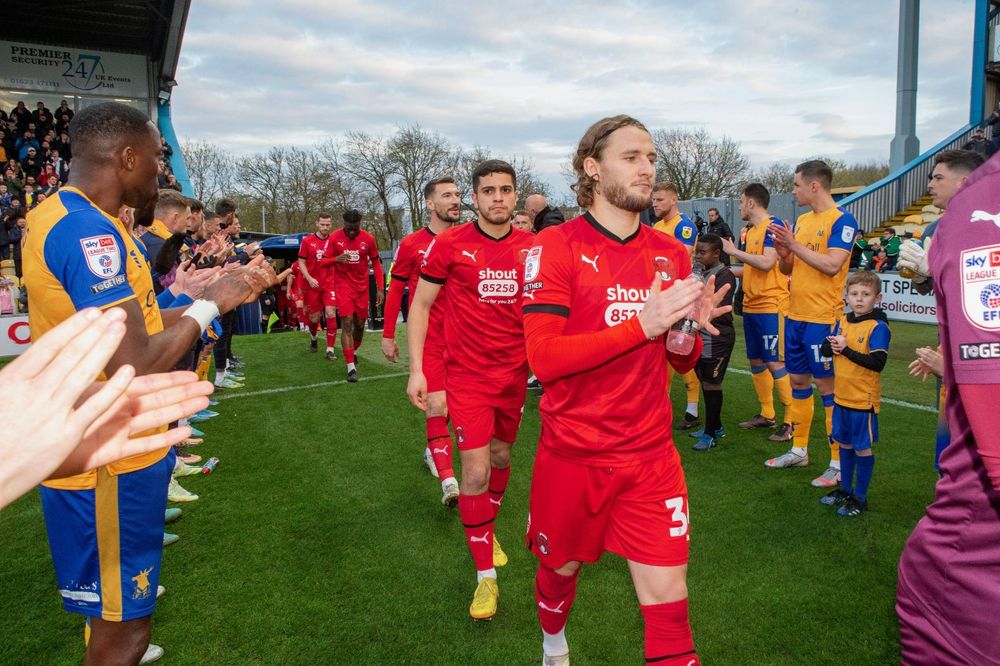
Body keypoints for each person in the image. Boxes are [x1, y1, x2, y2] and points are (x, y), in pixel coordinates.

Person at [21, 101, 285, 665]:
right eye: (158, 157)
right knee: (126, 634)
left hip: (103, 445)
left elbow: (135, 323)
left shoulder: (76, 218)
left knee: (116, 622)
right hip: (105, 462)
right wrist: (210, 307)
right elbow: (136, 361)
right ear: (127, 156)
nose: (161, 171)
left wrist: (207, 296)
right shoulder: (86, 231)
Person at [522, 115, 729, 666]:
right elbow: (543, 358)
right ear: (593, 168)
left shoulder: (671, 254)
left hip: (649, 456)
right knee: (557, 572)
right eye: (632, 157)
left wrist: (689, 328)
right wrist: (641, 324)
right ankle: (553, 645)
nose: (647, 169)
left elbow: (676, 356)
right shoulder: (555, 246)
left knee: (669, 604)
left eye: (652, 158)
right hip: (573, 455)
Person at [407, 159, 533, 621]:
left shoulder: (534, 248)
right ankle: (486, 579)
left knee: (502, 458)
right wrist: (418, 370)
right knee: (475, 473)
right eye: (488, 191)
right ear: (475, 198)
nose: (497, 198)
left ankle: (486, 524)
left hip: (516, 377)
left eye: (505, 190)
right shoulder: (450, 244)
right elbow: (420, 306)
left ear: (515, 196)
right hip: (467, 379)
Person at [896, 151, 1000, 665]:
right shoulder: (954, 227)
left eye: (938, 176)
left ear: (967, 179)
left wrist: (958, 365)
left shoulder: (981, 218)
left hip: (973, 550)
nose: (931, 184)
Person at [0, 307, 214, 510]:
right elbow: (135, 361)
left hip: (118, 447)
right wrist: (207, 305)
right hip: (100, 471)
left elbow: (148, 314)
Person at [765, 160, 859, 488]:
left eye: (796, 185)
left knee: (827, 388)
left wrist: (794, 246)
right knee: (798, 382)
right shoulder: (803, 221)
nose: (794, 190)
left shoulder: (842, 220)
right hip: (795, 317)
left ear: (814, 186)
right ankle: (799, 449)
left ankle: (836, 462)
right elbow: (791, 270)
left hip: (823, 320)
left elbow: (833, 265)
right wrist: (784, 252)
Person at [382, 176, 461, 505]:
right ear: (430, 204)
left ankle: (433, 449)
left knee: (456, 405)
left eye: (457, 194)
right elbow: (396, 289)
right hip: (428, 338)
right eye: (446, 195)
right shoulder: (413, 244)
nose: (455, 200)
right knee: (436, 404)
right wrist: (387, 334)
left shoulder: (469, 240)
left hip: (465, 340)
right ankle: (448, 481)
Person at [721, 183, 794, 441]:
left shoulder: (772, 226)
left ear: (751, 203)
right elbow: (750, 268)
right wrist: (720, 270)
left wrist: (733, 253)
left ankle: (791, 420)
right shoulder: (750, 232)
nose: (739, 206)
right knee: (756, 361)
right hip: (751, 304)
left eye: (741, 201)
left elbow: (766, 263)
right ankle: (767, 413)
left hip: (771, 305)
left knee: (775, 361)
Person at [817, 271, 891, 516]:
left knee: (862, 448)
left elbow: (877, 363)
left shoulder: (878, 326)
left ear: (877, 298)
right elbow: (828, 349)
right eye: (855, 294)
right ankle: (845, 490)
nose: (860, 299)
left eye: (866, 294)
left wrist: (845, 350)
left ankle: (860, 498)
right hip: (842, 397)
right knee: (844, 444)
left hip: (863, 400)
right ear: (846, 296)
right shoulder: (844, 320)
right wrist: (831, 345)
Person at [651, 181, 702, 429]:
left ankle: (692, 410)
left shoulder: (684, 226)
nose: (655, 204)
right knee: (662, 356)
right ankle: (662, 407)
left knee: (679, 351)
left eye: (660, 200)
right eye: (653, 200)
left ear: (673, 200)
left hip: (681, 299)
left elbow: (681, 254)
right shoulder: (657, 226)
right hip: (660, 298)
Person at [689, 233, 737, 451]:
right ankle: (715, 426)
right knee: (704, 379)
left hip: (717, 337)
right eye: (697, 251)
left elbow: (714, 308)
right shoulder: (700, 272)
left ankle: (710, 435)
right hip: (699, 334)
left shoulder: (725, 275)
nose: (697, 256)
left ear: (717, 253)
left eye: (702, 252)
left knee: (711, 383)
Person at [330, 208, 384, 382]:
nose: (352, 231)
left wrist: (381, 288)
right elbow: (323, 261)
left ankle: (352, 353)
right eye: (349, 228)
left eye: (355, 228)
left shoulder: (368, 238)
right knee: (346, 323)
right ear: (344, 224)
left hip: (362, 288)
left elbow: (376, 263)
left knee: (360, 325)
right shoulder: (334, 238)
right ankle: (350, 368)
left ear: (359, 224)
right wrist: (335, 259)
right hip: (343, 286)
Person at [298, 212, 339, 359]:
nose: (325, 227)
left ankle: (330, 349)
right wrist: (308, 278)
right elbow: (301, 262)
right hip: (312, 285)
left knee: (330, 313)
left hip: (329, 284)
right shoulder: (307, 241)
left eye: (328, 225)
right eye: (322, 224)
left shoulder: (334, 241)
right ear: (317, 224)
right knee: (314, 319)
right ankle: (314, 338)